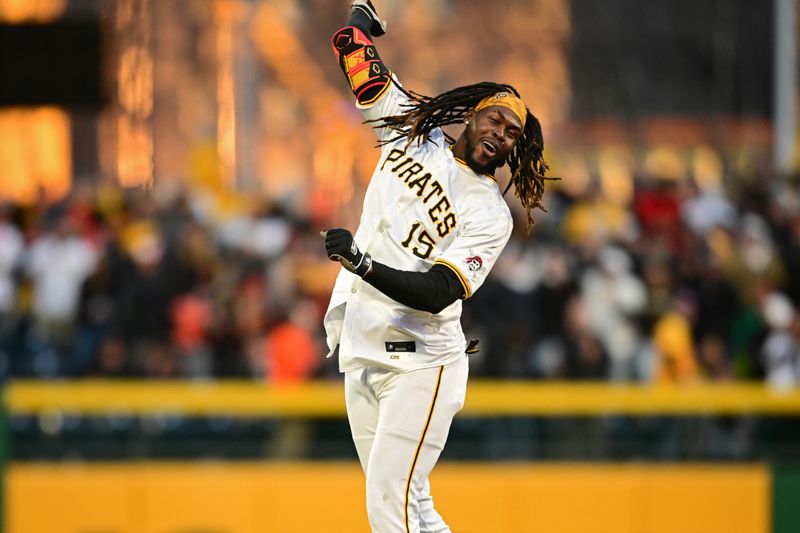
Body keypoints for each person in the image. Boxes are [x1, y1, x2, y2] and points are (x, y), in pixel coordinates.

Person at [321, 2, 550, 531]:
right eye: (496, 118)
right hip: (362, 344)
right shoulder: (410, 131)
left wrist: (360, 262)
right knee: (412, 504)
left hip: (422, 363)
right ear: (472, 113)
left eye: (514, 133)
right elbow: (354, 58)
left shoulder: (491, 214)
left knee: (388, 503)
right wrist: (359, 20)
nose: (503, 134)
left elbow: (438, 291)